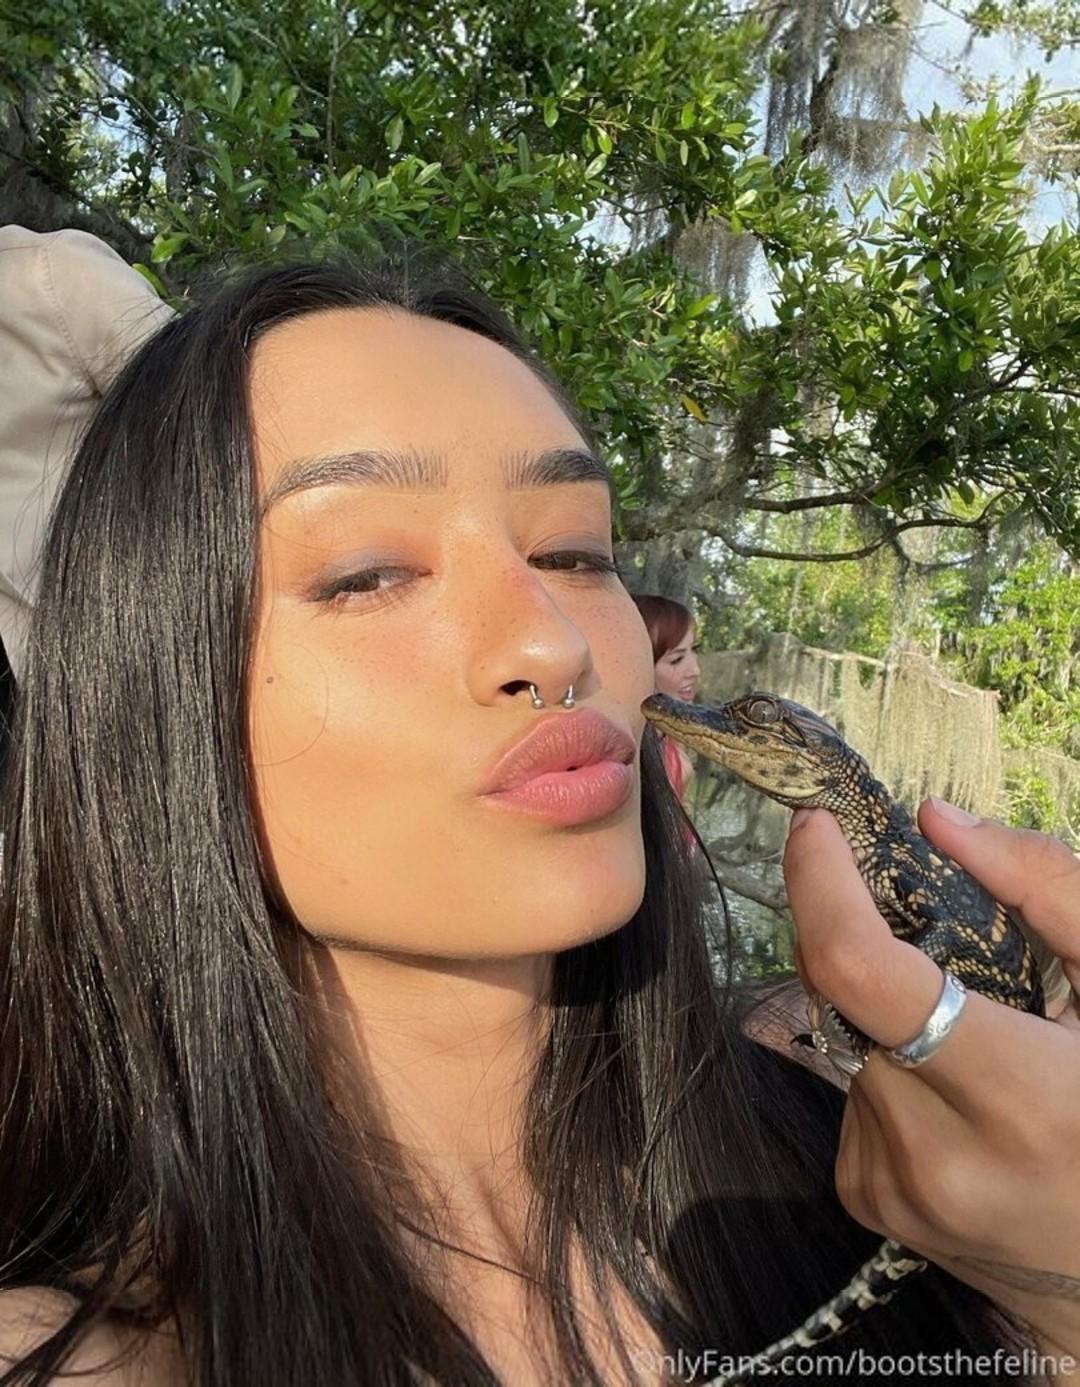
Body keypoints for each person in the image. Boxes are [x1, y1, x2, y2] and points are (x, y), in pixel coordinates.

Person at [1, 247, 1079, 1387]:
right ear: (145, 691)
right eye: (367, 572)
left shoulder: (931, 1182)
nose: (555, 643)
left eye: (575, 553)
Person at [633, 594, 701, 802]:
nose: (695, 671)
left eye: (694, 650)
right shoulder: (629, 756)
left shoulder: (666, 737)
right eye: (676, 659)